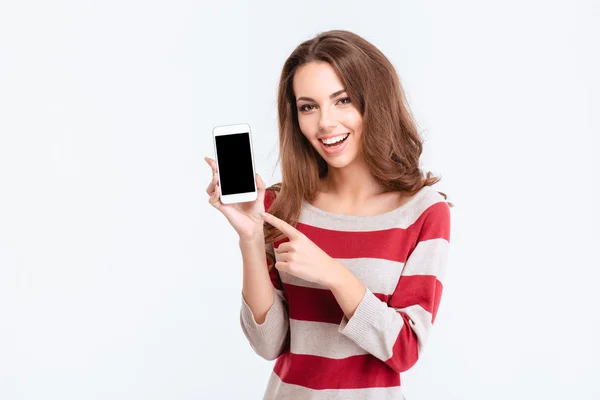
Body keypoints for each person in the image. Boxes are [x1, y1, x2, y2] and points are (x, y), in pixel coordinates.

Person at [205, 29, 452, 400]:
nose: (325, 123)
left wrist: (333, 274)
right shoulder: (280, 207)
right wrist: (251, 237)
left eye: (342, 101)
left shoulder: (423, 211)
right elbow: (267, 344)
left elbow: (404, 349)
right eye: (308, 106)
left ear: (375, 102)